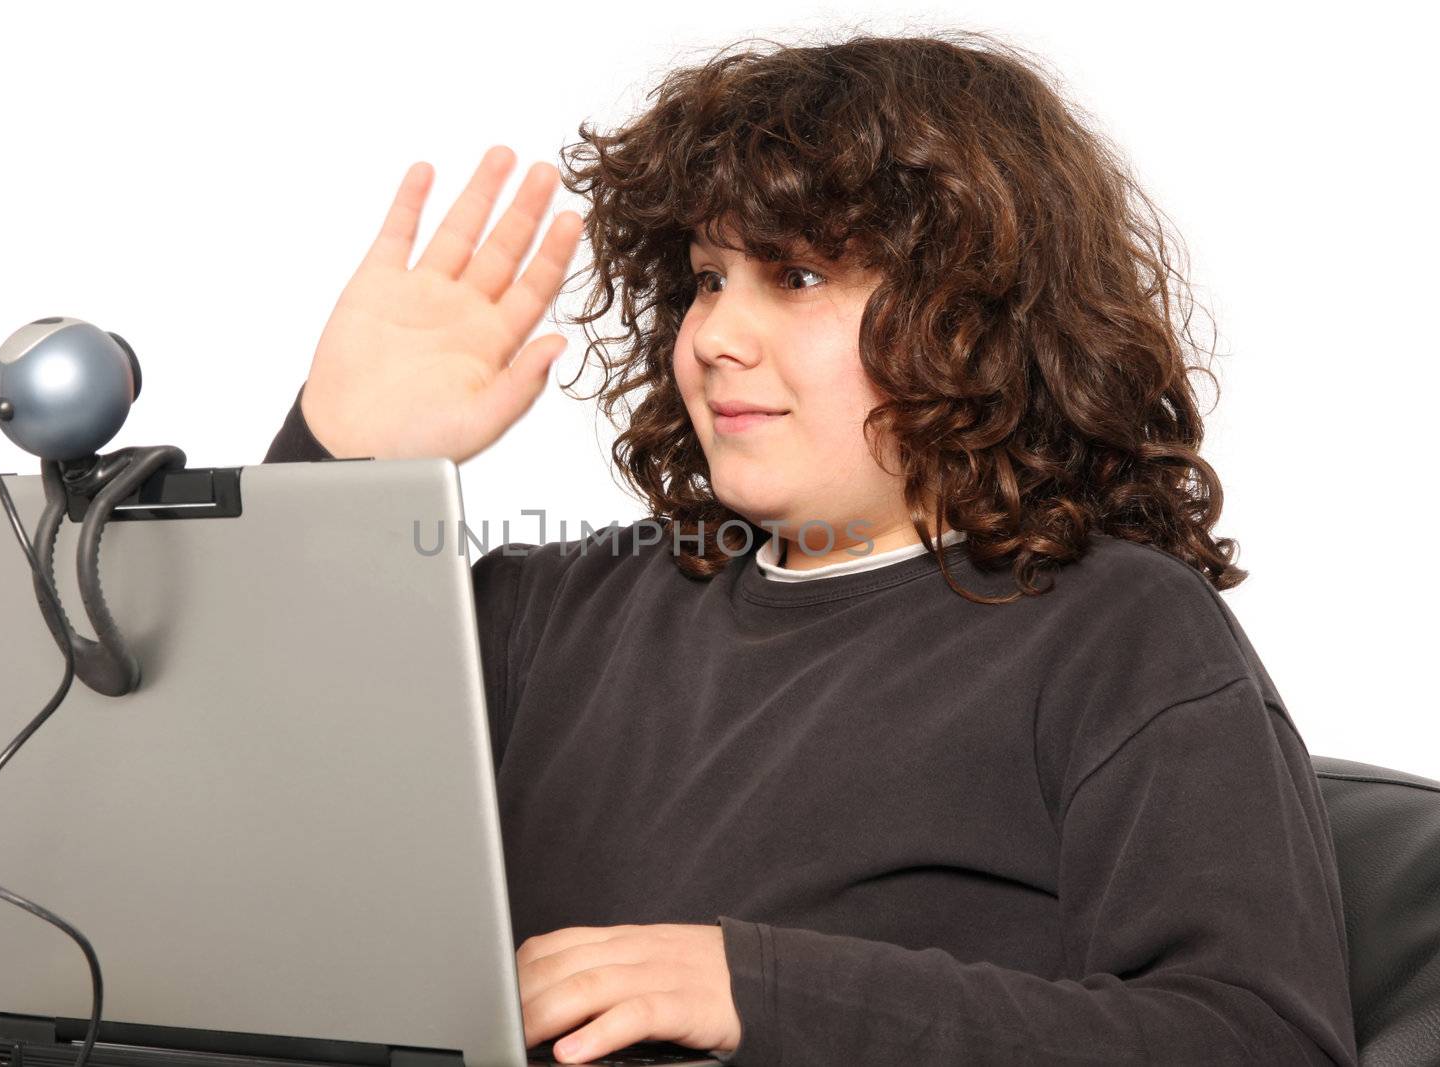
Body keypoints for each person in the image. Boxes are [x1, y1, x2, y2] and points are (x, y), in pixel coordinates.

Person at [263, 29, 1358, 1066]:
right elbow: (236, 776)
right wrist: (336, 456)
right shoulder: (553, 609)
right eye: (705, 278)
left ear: (974, 316)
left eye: (795, 278)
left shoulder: (1118, 630)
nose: (714, 337)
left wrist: (760, 989)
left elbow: (1256, 1035)